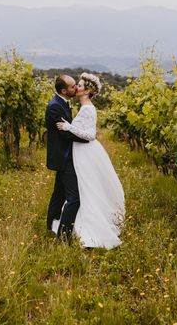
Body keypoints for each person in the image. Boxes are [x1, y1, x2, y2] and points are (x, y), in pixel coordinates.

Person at [55, 72, 125, 249]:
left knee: (87, 189)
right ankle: (77, 225)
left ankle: (90, 229)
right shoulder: (85, 106)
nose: (76, 88)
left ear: (87, 91)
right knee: (85, 190)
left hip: (85, 153)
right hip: (82, 152)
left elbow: (90, 135)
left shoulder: (87, 108)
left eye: (79, 85)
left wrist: (68, 127)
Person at [45, 75, 90, 243]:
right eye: (73, 87)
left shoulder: (62, 103)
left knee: (59, 194)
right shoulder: (55, 107)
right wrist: (87, 138)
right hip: (63, 157)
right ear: (64, 91)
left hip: (67, 155)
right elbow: (65, 134)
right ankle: (63, 237)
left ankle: (51, 225)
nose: (76, 89)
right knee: (74, 198)